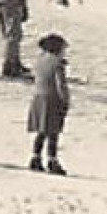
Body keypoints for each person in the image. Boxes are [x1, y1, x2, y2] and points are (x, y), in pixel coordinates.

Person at [27, 33, 71, 176]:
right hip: (52, 99)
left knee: (41, 131)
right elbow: (61, 85)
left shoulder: (39, 60)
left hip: (38, 97)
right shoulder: (57, 64)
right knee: (53, 132)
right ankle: (52, 160)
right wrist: (65, 100)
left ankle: (35, 157)